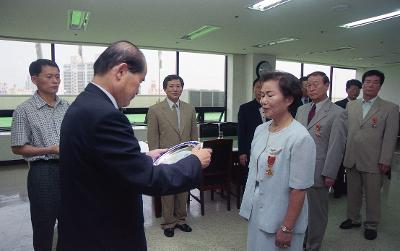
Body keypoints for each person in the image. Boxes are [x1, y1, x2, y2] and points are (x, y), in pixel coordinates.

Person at [57, 41, 212, 251]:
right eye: (139, 82)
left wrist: (145, 157)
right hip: (105, 235)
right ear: (121, 71)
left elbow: (105, 162)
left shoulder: (85, 104)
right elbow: (149, 180)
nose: (138, 90)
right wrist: (194, 161)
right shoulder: (105, 115)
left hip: (86, 224)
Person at [240, 72, 316, 251]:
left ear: (288, 99)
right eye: (262, 95)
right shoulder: (261, 129)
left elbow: (299, 189)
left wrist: (287, 227)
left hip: (281, 213)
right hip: (257, 208)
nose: (263, 101)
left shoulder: (299, 137)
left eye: (270, 95)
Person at [10, 59, 69, 251]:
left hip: (70, 170)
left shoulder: (67, 107)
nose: (55, 81)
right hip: (42, 172)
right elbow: (18, 147)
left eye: (58, 76)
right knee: (44, 225)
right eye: (49, 76)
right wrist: (49, 149)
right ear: (35, 79)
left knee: (70, 223)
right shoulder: (23, 110)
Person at [339, 70, 399, 240]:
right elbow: (346, 131)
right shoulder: (351, 105)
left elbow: (390, 137)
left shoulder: (390, 108)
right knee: (353, 193)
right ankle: (353, 218)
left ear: (380, 86)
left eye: (375, 82)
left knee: (372, 196)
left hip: (374, 160)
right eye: (367, 81)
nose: (370, 85)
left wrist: (385, 160)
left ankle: (371, 224)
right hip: (352, 158)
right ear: (362, 84)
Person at [295, 71, 346, 251]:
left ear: (327, 86)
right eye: (308, 84)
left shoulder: (337, 113)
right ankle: (301, 241)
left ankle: (313, 245)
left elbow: (336, 146)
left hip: (319, 171)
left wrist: (330, 173)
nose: (311, 87)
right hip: (298, 170)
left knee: (317, 214)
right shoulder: (302, 109)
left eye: (316, 83)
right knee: (299, 210)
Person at [146, 75, 198, 237]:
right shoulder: (155, 110)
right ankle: (168, 222)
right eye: (171, 86)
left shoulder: (190, 109)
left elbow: (194, 135)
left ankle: (181, 220)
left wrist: (194, 154)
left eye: (178, 86)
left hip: (184, 157)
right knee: (167, 191)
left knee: (183, 189)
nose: (175, 89)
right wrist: (157, 159)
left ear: (182, 88)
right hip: (165, 158)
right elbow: (152, 137)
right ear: (165, 89)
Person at [333, 79, 362, 198]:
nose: (355, 92)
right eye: (353, 89)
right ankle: (338, 189)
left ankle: (349, 189)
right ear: (347, 90)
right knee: (339, 167)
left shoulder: (362, 105)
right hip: (341, 140)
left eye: (358, 90)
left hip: (356, 142)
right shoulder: (338, 105)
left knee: (352, 167)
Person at [237, 78, 266, 168]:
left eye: (263, 87)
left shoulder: (272, 107)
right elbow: (241, 132)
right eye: (258, 87)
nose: (260, 90)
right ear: (253, 89)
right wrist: (242, 152)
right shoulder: (245, 108)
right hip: (251, 149)